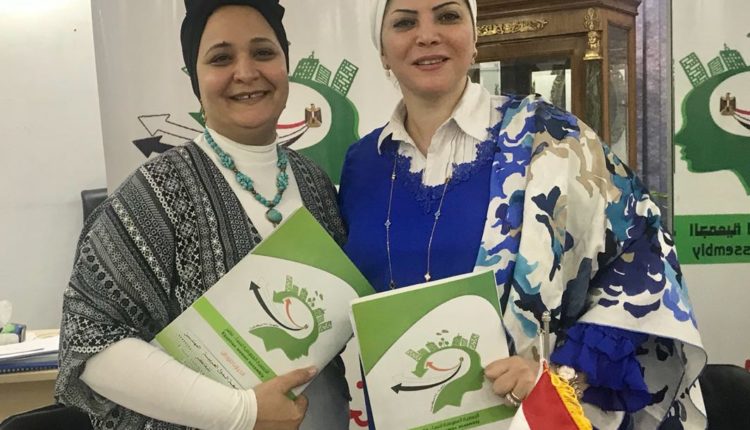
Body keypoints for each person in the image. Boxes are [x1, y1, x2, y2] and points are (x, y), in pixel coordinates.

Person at [338, 0, 706, 428]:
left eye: (448, 16)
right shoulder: (362, 164)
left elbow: (645, 259)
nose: (427, 35)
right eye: (404, 22)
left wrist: (562, 375)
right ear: (383, 51)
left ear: (474, 38)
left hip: (525, 417)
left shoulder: (555, 141)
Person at [54, 1, 349, 429]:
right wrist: (243, 412)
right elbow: (91, 341)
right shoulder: (157, 192)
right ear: (196, 79)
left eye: (263, 52)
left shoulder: (316, 184)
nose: (246, 72)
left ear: (286, 64)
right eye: (221, 58)